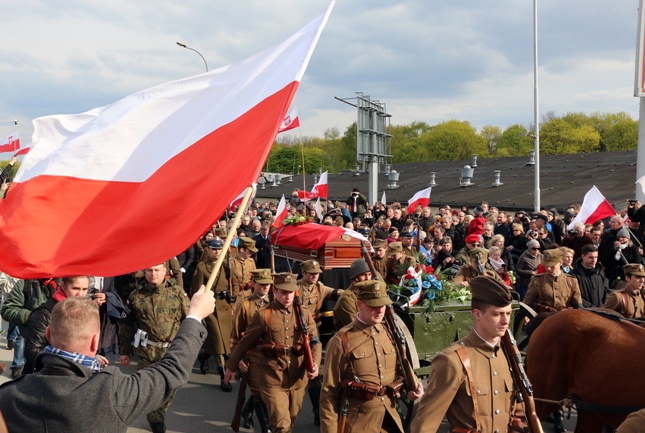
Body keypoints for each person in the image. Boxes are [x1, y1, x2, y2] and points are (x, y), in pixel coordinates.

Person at [0, 287, 214, 433]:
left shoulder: (8, 395)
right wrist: (194, 315)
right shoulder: (113, 392)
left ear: (48, 335)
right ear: (96, 341)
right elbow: (171, 370)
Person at [411, 276, 527, 433]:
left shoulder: (509, 355)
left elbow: (518, 411)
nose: (505, 321)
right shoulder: (452, 360)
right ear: (477, 314)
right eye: (497, 314)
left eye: (508, 313)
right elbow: (424, 425)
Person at [320, 279, 425, 433]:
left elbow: (400, 365)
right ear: (359, 304)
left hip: (390, 418)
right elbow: (329, 393)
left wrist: (414, 383)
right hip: (358, 422)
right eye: (373, 306)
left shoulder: (388, 332)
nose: (379, 310)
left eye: (382, 305)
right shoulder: (341, 341)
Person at [224, 273, 322, 433]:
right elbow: (245, 342)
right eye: (283, 292)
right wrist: (231, 366)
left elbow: (315, 342)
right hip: (272, 377)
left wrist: (315, 363)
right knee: (281, 426)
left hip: (297, 379)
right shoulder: (264, 314)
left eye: (290, 292)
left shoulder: (303, 313)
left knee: (291, 419)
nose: (287, 296)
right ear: (275, 291)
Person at [119, 262, 191, 433]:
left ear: (165, 271)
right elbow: (126, 326)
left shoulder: (177, 293)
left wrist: (189, 346)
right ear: (144, 271)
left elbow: (189, 320)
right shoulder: (136, 296)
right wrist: (124, 352)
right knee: (150, 390)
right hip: (147, 352)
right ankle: (156, 421)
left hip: (172, 352)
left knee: (171, 387)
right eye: (149, 270)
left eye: (157, 270)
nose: (153, 274)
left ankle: (160, 413)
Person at [296, 259, 342, 424]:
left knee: (313, 372)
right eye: (312, 274)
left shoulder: (319, 288)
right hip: (293, 334)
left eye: (317, 274)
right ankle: (251, 409)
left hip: (312, 333)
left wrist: (353, 292)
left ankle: (317, 411)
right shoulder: (293, 288)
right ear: (304, 273)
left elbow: (337, 293)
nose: (315, 276)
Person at [231, 269, 274, 433]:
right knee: (257, 390)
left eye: (268, 284)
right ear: (253, 284)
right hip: (250, 356)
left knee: (266, 390)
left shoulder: (273, 303)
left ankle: (247, 412)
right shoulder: (245, 305)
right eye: (261, 284)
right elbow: (235, 336)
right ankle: (266, 429)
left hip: (269, 356)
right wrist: (238, 360)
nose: (265, 287)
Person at [24, 276, 92, 375]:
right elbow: (32, 351)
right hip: (44, 376)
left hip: (76, 375)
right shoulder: (45, 313)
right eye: (75, 288)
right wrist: (69, 358)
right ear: (63, 286)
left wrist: (93, 356)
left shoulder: (86, 312)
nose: (80, 294)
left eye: (84, 289)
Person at [191, 238, 235, 390]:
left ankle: (204, 356)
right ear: (208, 250)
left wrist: (233, 298)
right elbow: (197, 290)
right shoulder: (202, 267)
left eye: (219, 249)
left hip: (225, 307)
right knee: (217, 341)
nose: (216, 252)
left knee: (225, 341)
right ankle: (224, 377)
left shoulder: (226, 265)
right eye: (213, 249)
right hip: (211, 307)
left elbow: (233, 283)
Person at [524, 249, 583, 314]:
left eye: (552, 266)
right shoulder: (538, 279)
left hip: (565, 317)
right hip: (544, 317)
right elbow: (527, 302)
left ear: (560, 262)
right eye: (546, 266)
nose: (548, 269)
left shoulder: (571, 281)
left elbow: (578, 305)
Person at [333, 258, 373, 331]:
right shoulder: (347, 298)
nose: (368, 278)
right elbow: (356, 325)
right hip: (352, 337)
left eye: (369, 274)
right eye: (364, 275)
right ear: (355, 277)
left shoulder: (367, 293)